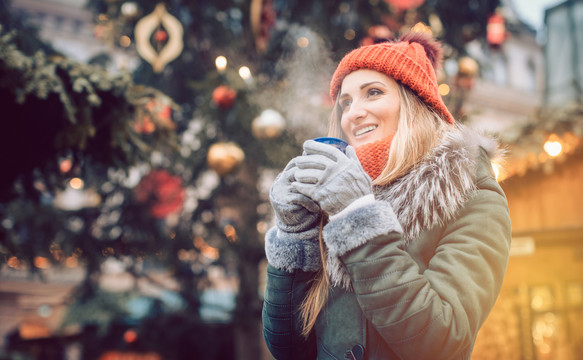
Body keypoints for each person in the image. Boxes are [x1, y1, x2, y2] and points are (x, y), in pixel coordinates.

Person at [262, 32, 512, 360]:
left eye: (374, 93)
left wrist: (357, 218)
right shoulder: (330, 202)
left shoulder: (472, 197)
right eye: (345, 103)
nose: (352, 113)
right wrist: (293, 235)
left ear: (414, 103)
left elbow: (442, 339)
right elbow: (288, 348)